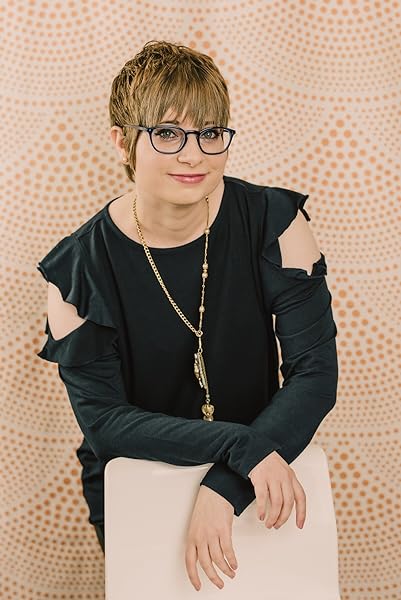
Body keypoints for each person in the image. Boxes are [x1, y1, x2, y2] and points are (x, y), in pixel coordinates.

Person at [36, 40, 338, 592]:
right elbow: (105, 423)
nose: (194, 155)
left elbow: (315, 376)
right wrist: (238, 448)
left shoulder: (275, 222)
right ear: (122, 141)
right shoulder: (76, 272)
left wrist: (227, 482)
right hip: (142, 479)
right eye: (168, 134)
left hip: (261, 474)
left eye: (210, 132)